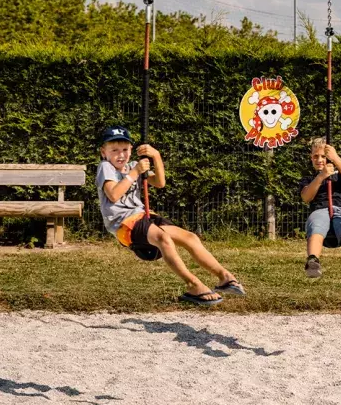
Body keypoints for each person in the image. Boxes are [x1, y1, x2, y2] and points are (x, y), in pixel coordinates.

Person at [95, 125, 245, 305]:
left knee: (189, 237)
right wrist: (135, 173)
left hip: (142, 215)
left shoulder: (134, 165)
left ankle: (225, 277)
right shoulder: (106, 167)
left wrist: (156, 156)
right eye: (114, 150)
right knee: (163, 238)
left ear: (131, 150)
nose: (121, 155)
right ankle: (193, 285)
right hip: (123, 223)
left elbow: (159, 182)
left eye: (125, 150)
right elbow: (113, 194)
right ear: (104, 152)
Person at [298, 137, 341, 282]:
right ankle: (313, 260)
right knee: (316, 224)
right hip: (320, 209)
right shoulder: (309, 178)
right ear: (311, 158)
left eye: (324, 156)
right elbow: (306, 197)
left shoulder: (338, 173)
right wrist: (321, 176)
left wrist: (336, 158)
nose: (319, 160)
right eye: (315, 156)